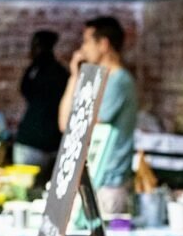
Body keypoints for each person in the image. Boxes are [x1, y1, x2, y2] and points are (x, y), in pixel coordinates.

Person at [59, 15, 137, 215]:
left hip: (110, 181)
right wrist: (74, 76)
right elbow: (65, 124)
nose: (83, 49)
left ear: (103, 44)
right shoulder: (97, 80)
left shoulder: (119, 81)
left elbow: (82, 126)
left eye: (87, 42)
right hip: (94, 178)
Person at [13, 30, 69, 187]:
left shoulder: (40, 71)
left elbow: (26, 90)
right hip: (50, 141)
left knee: (26, 191)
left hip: (35, 143)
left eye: (34, 46)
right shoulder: (58, 72)